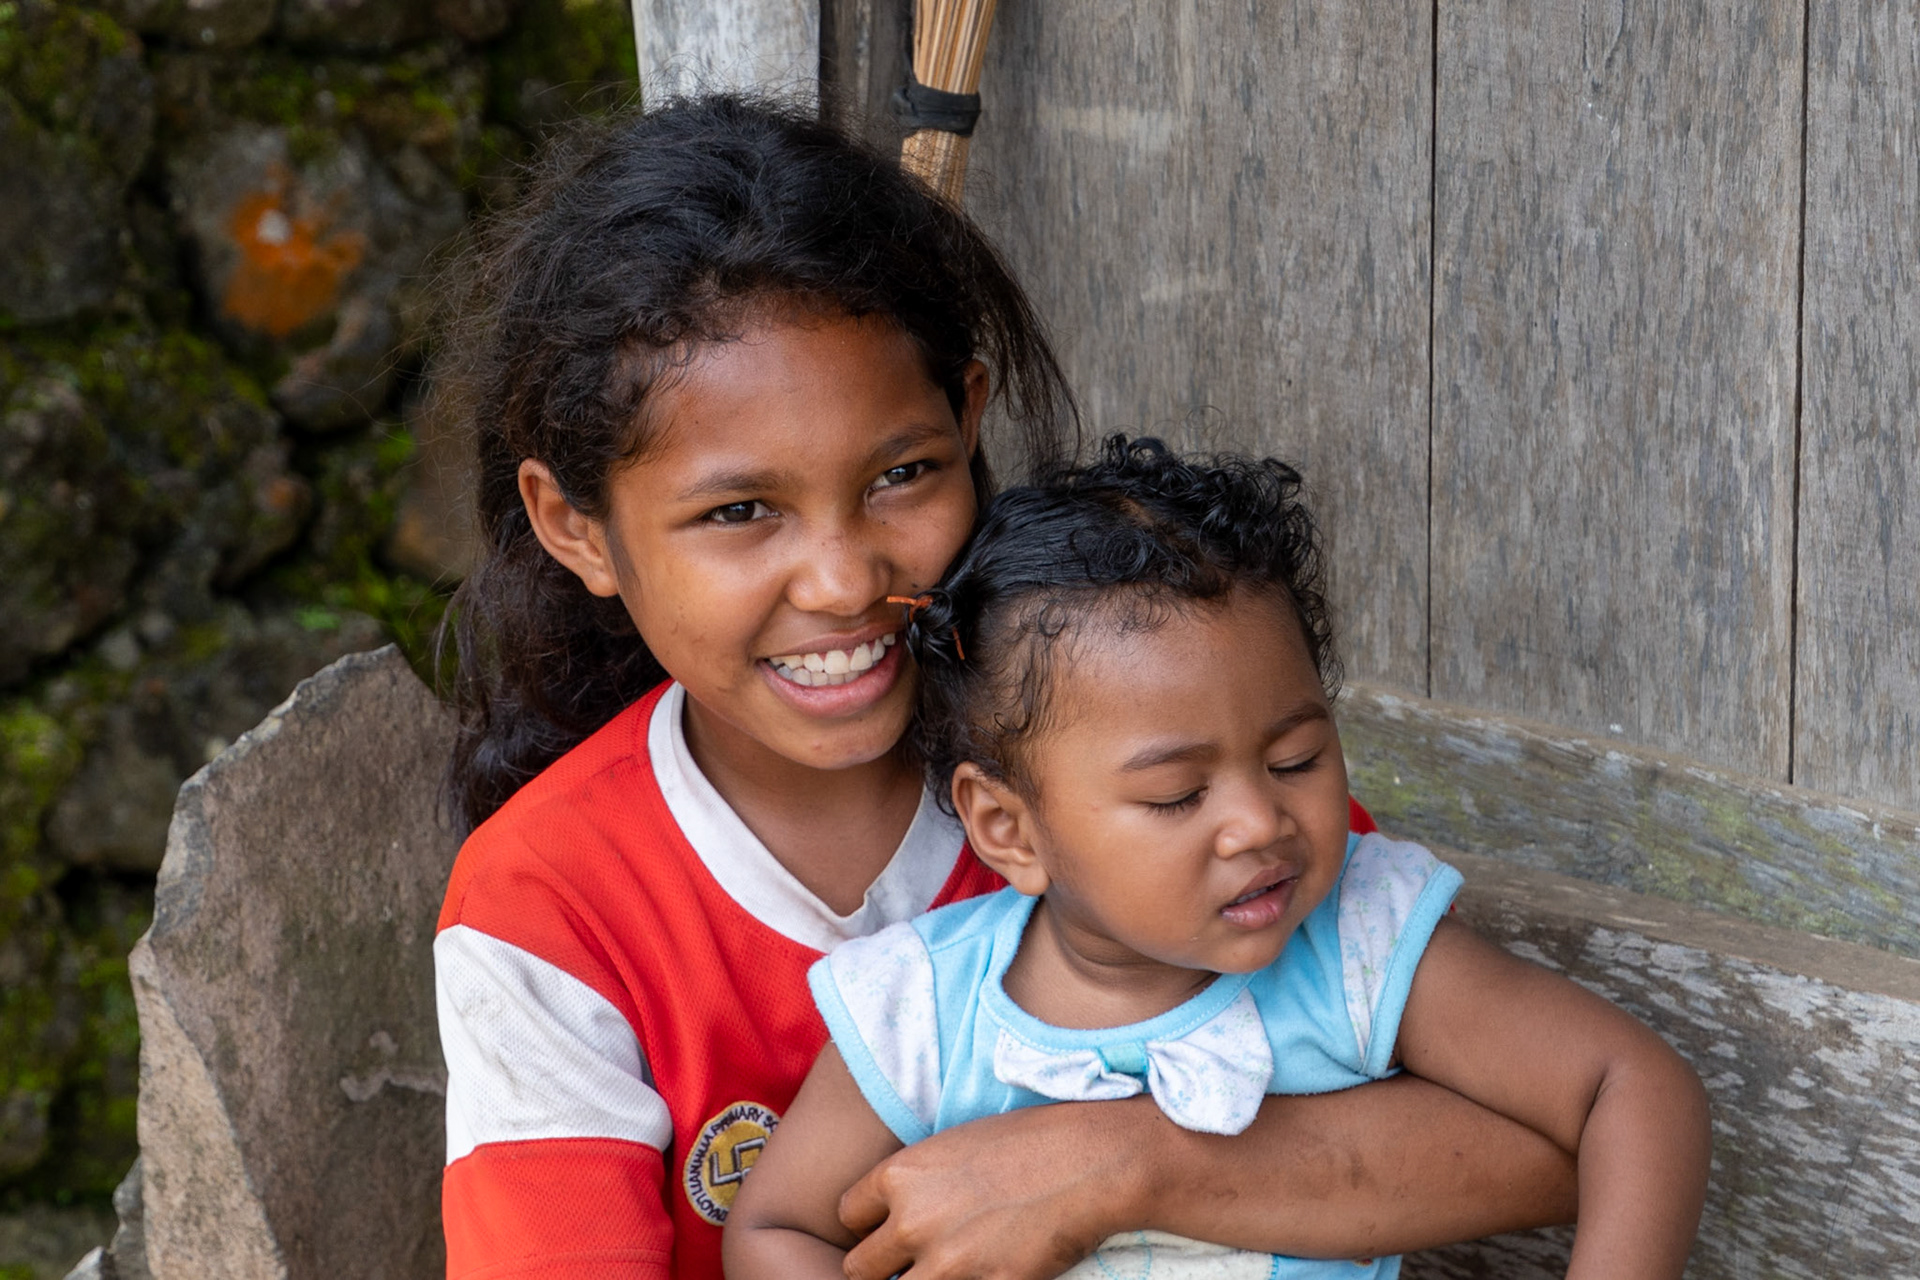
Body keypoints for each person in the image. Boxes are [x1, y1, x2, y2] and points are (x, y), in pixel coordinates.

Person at [432, 93, 1581, 1280]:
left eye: (901, 474)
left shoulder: (1144, 756)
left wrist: (1127, 1164)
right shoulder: (549, 901)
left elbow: (1556, 1134)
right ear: (574, 526)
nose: (843, 580)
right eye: (739, 510)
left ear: (968, 419)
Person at [724, 438, 1712, 1280]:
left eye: (1296, 759)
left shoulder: (1358, 948)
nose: (1257, 823)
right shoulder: (924, 1011)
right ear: (1010, 828)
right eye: (1177, 794)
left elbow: (1629, 1086)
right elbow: (775, 1231)